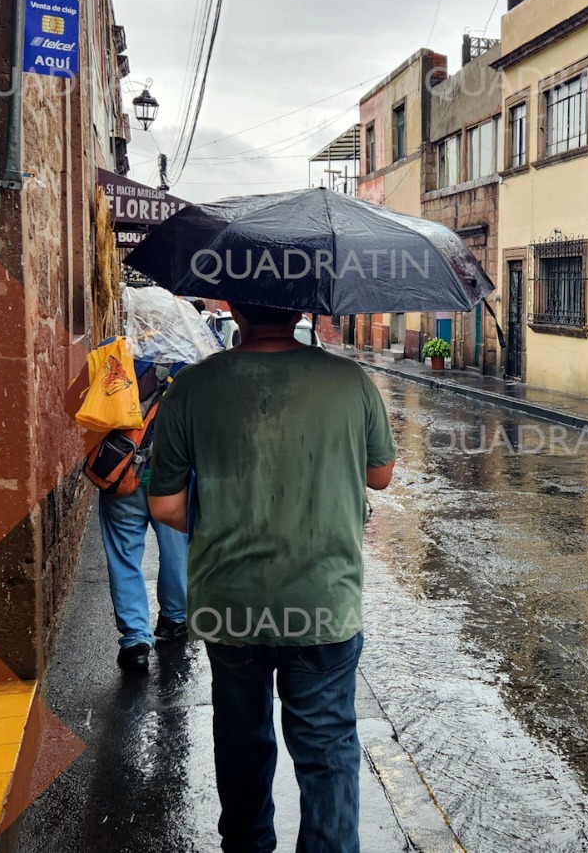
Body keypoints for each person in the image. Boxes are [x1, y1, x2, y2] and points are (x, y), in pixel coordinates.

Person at [148, 302, 395, 853]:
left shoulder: (193, 385)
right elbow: (379, 475)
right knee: (327, 750)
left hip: (228, 605)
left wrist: (220, 515)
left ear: (234, 306)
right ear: (303, 307)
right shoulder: (349, 380)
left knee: (241, 739)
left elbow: (164, 507)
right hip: (323, 602)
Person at [64, 346, 191, 673]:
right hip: (171, 477)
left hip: (119, 471)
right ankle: (173, 619)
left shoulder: (110, 351)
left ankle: (135, 640)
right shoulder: (186, 354)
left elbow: (72, 403)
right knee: (176, 549)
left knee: (123, 556)